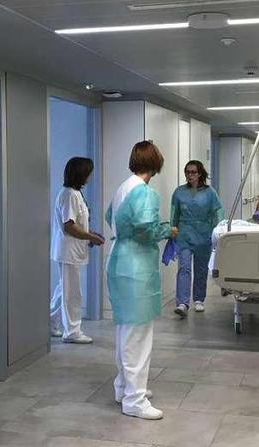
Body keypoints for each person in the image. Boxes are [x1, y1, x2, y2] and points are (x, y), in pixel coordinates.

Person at [106, 141, 178, 420]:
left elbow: (109, 217)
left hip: (119, 261)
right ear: (156, 162)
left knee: (126, 331)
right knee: (138, 335)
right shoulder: (146, 193)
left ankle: (124, 387)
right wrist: (168, 229)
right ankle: (135, 400)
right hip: (135, 267)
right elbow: (147, 228)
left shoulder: (123, 187)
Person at [50, 157, 105, 344]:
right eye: (88, 172)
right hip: (68, 250)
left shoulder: (75, 193)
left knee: (63, 289)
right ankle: (72, 331)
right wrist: (91, 237)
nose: (90, 176)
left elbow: (79, 223)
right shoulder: (69, 195)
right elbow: (69, 226)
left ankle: (51, 322)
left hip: (72, 250)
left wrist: (91, 233)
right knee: (72, 292)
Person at [171, 160, 224, 317]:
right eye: (187, 172)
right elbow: (174, 213)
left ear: (200, 173)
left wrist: (219, 233)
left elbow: (218, 212)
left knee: (201, 269)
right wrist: (172, 232)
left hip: (203, 235)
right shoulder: (179, 192)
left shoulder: (210, 192)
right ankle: (182, 303)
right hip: (184, 235)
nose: (189, 175)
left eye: (193, 172)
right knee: (184, 268)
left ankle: (199, 299)